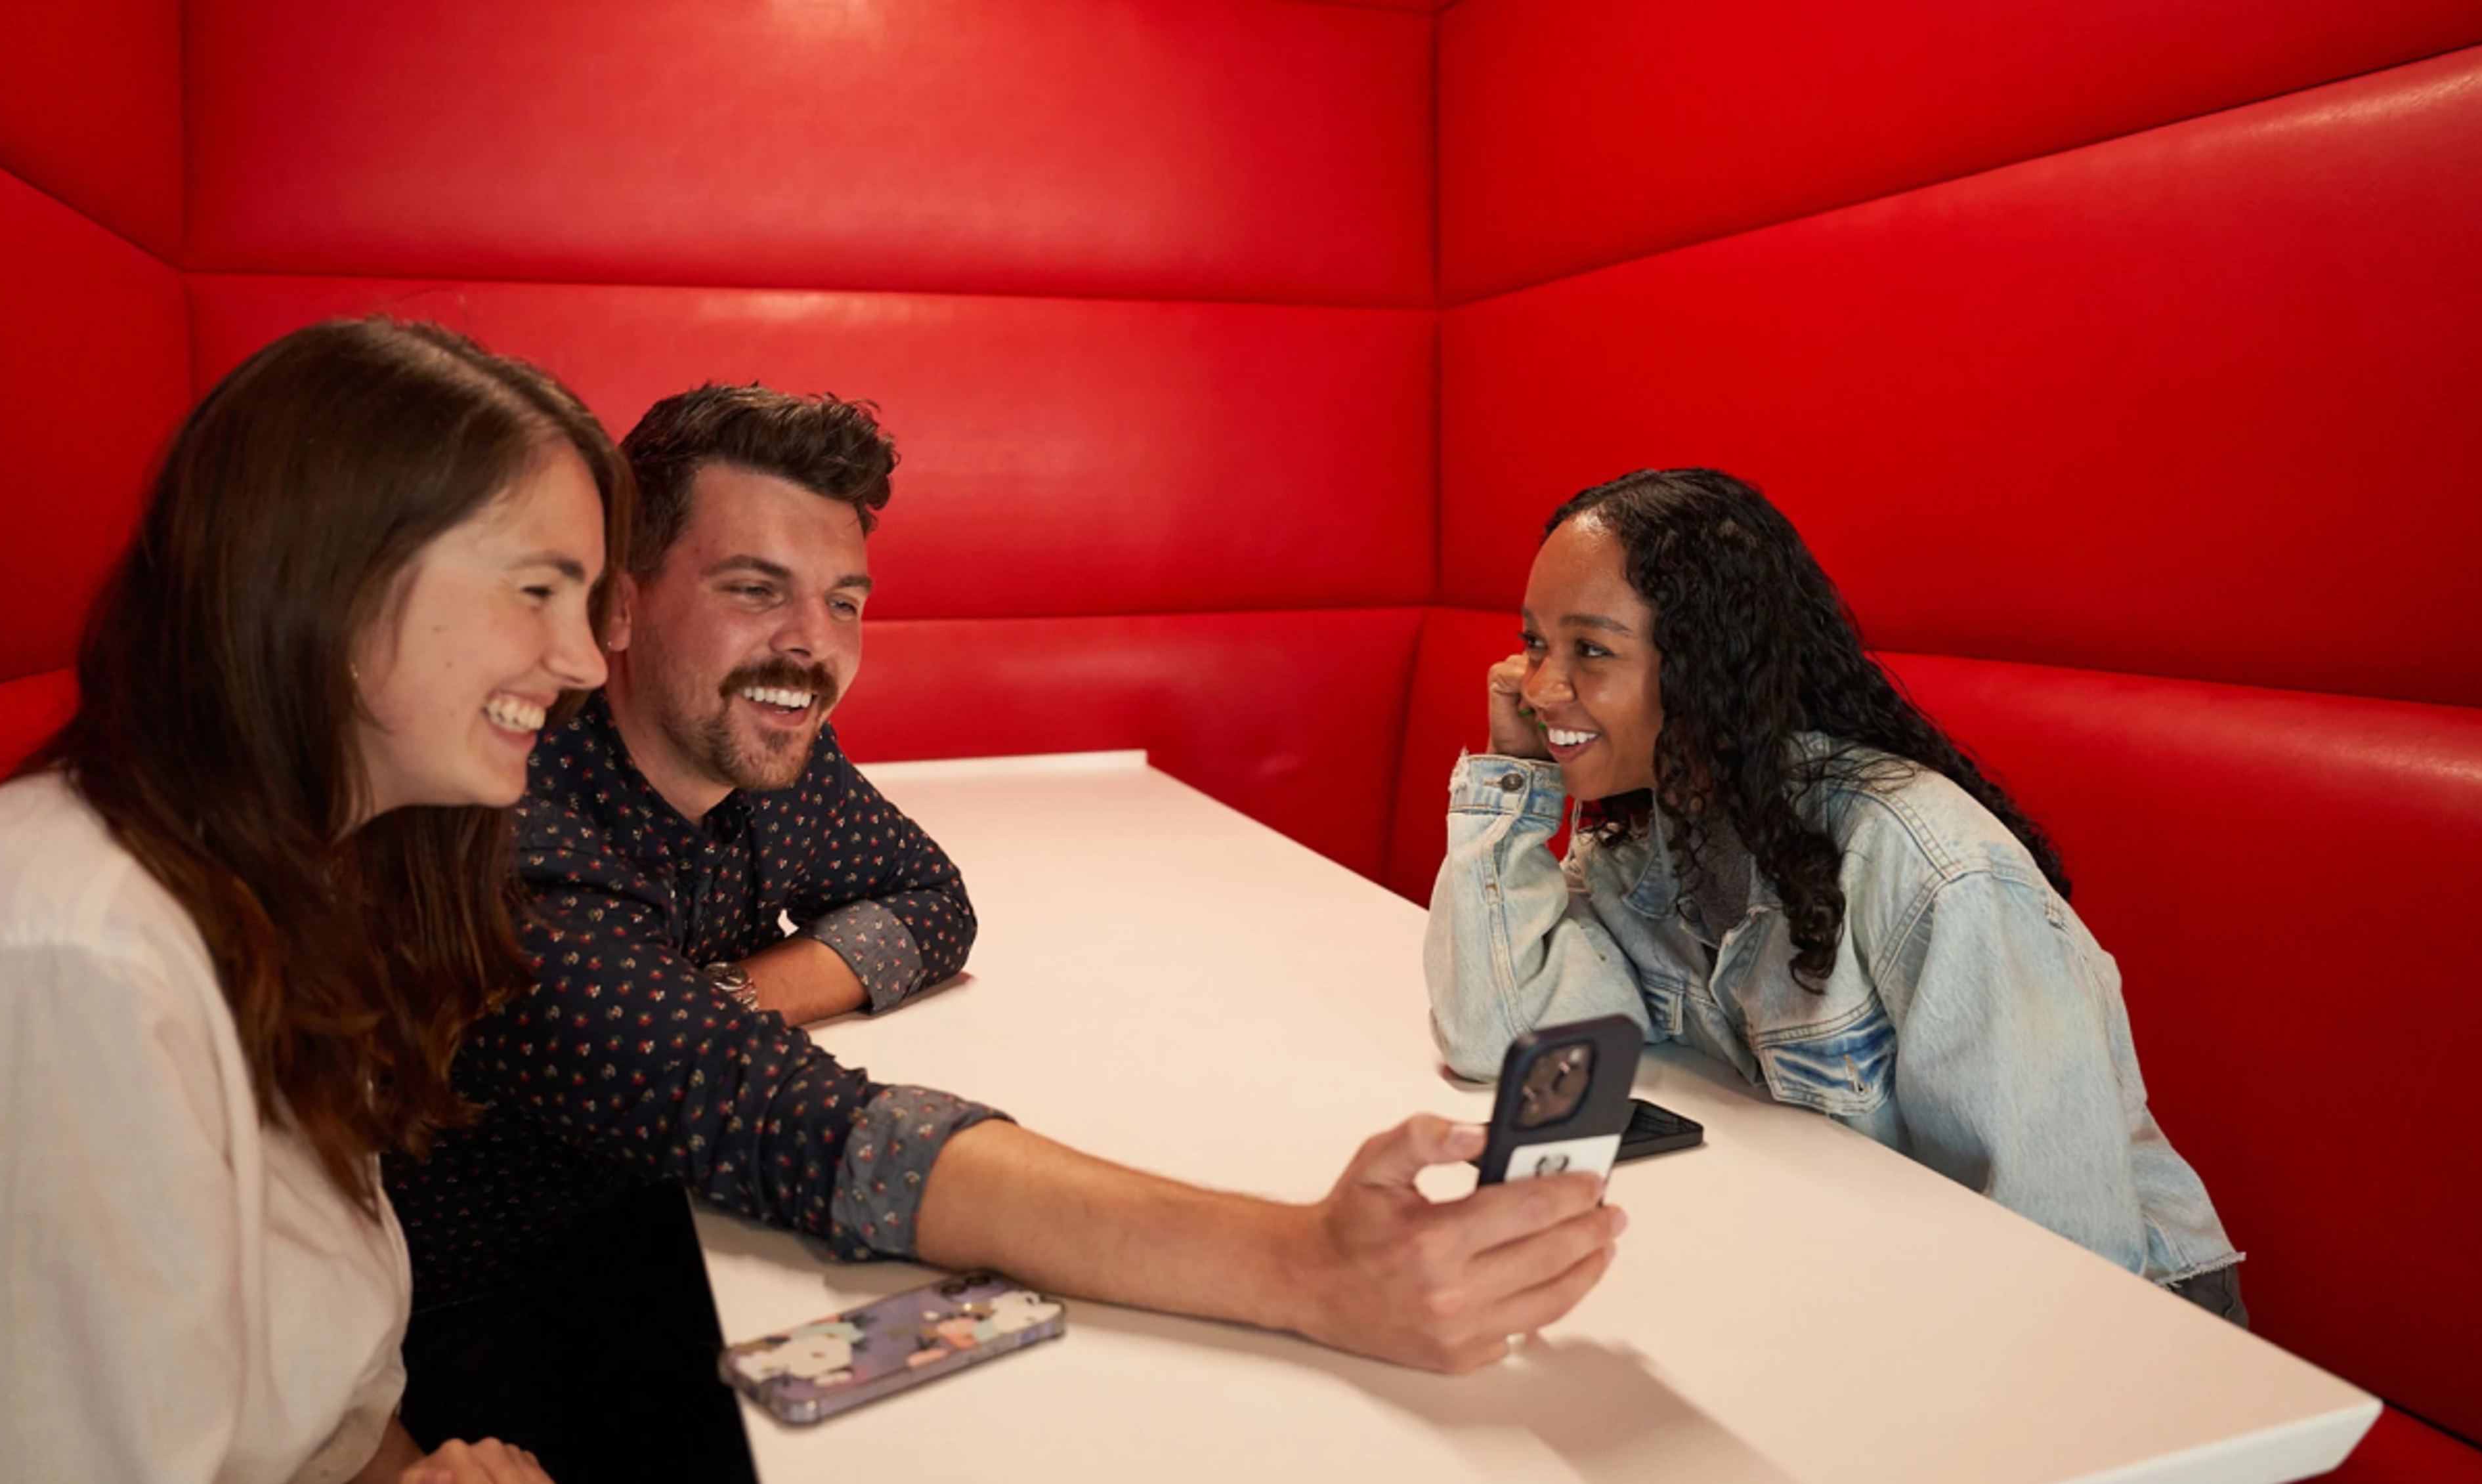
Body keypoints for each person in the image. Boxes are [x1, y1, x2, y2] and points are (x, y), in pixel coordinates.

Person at [388, 382, 1625, 1451]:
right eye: (756, 588)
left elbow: (932, 904)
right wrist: (1304, 1266)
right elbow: (809, 1128)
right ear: (622, 601)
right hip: (490, 1316)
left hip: (664, 1222)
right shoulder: (524, 830)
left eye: (848, 602)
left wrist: (722, 1004)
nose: (811, 650)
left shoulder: (760, 747)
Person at [0, 317, 627, 1484]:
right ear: (333, 577)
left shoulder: (321, 882)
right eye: (537, 589)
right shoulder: (78, 953)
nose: (582, 662)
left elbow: (316, 1409)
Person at [1424, 467, 2245, 1321]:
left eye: (1590, 650)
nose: (1541, 687)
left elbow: (2069, 1254)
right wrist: (1514, 773)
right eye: (1534, 646)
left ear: (1708, 664)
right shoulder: (1648, 830)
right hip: (1864, 1271)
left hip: (2132, 1325)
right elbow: (1504, 1036)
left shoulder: (1929, 867)